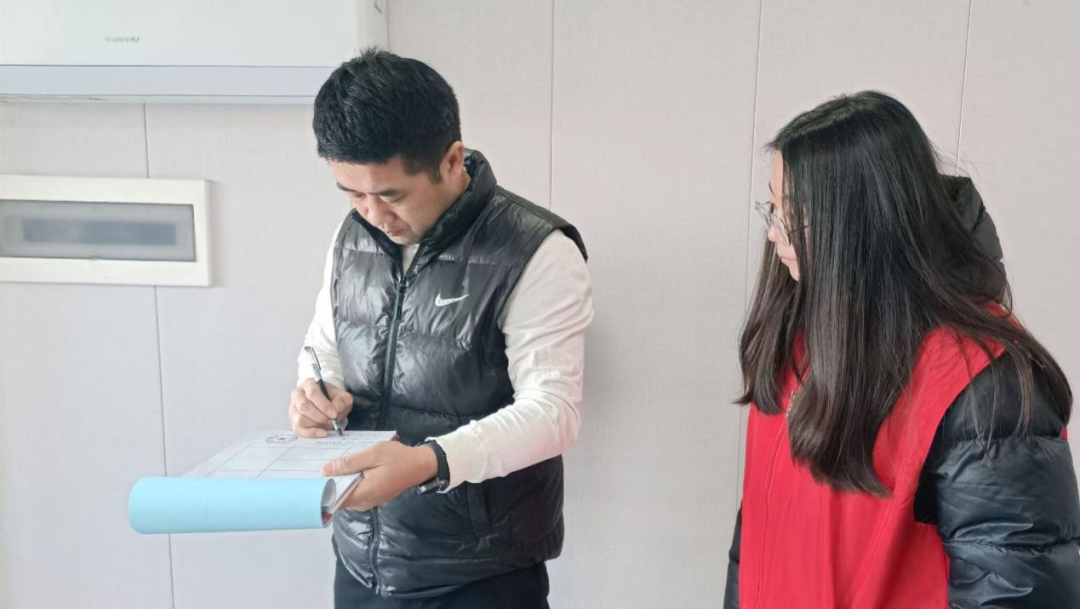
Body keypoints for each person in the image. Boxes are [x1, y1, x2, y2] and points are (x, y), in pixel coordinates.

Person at [725, 91, 1079, 608]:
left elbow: (1020, 591)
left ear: (860, 224)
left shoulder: (984, 385)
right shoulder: (799, 336)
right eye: (772, 208)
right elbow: (755, 537)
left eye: (792, 214)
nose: (774, 234)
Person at [290, 49, 593, 608]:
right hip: (359, 564)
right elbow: (323, 346)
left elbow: (553, 412)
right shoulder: (352, 235)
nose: (372, 215)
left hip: (480, 576)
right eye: (352, 193)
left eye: (392, 195)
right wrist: (316, 391)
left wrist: (429, 462)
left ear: (452, 160)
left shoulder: (538, 251)